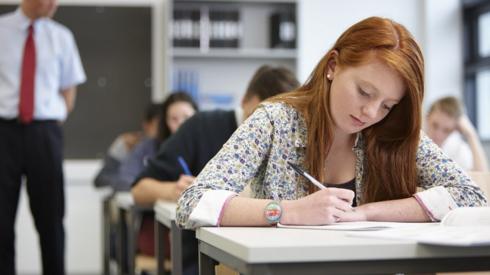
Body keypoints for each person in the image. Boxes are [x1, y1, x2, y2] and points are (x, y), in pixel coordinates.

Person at [176, 17, 488, 231]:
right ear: (333, 66)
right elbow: (193, 202)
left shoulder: (392, 130)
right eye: (364, 92)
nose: (370, 112)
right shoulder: (274, 121)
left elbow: (470, 196)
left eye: (388, 105)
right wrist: (288, 212)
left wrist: (365, 212)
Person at [131, 65, 300, 275]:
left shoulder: (294, 137)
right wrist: (173, 189)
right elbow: (139, 189)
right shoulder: (200, 126)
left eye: (280, 121)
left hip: (274, 255)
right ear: (244, 100)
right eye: (261, 115)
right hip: (204, 259)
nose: (266, 127)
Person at [0, 1, 86, 274]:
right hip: (4, 132)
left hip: (45, 133)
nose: (54, 4)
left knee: (51, 221)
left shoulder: (62, 36)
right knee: (1, 222)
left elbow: (68, 92)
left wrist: (49, 120)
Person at [94, 102, 162, 190]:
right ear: (146, 124)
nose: (162, 130)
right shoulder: (126, 143)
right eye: (159, 125)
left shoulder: (171, 147)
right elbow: (100, 180)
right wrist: (127, 181)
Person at [425, 96, 489, 172]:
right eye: (435, 125)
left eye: (446, 130)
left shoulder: (458, 149)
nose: (438, 135)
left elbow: (481, 177)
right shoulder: (415, 139)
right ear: (427, 118)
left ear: (455, 129)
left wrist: (471, 135)